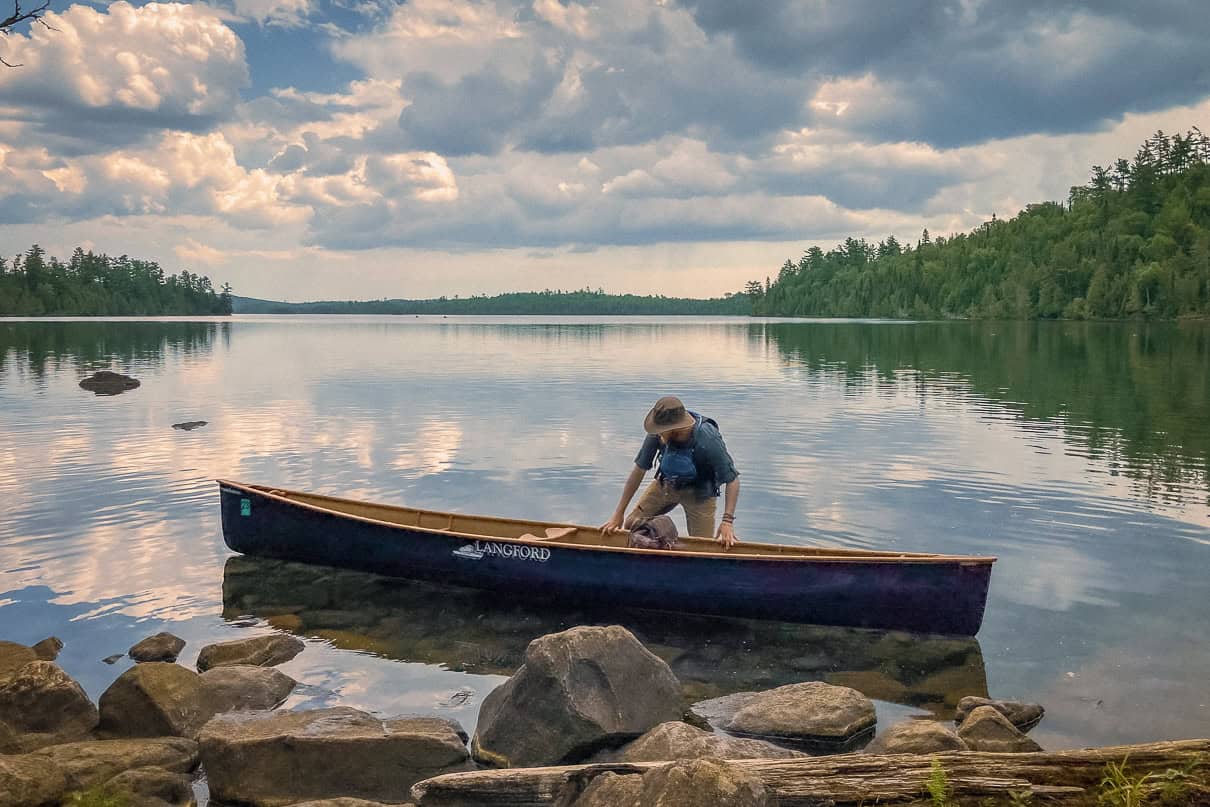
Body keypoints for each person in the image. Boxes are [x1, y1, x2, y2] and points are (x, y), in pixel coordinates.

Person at [600, 396, 741, 548]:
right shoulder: (658, 431)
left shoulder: (707, 438)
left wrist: (727, 521)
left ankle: (676, 549)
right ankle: (657, 545)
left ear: (674, 428)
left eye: (661, 431)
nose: (657, 434)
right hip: (666, 485)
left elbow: (732, 480)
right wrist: (618, 513)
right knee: (630, 525)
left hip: (700, 494)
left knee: (702, 546)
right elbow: (639, 470)